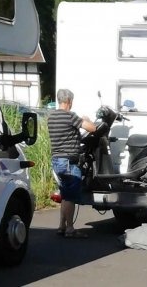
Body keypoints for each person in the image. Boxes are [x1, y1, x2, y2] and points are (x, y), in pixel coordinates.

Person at [49, 88, 98, 238]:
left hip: (57, 161)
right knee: (70, 197)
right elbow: (93, 128)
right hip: (69, 163)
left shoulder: (51, 117)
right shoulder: (70, 116)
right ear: (69, 101)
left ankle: (61, 226)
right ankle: (70, 229)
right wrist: (87, 119)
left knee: (65, 195)